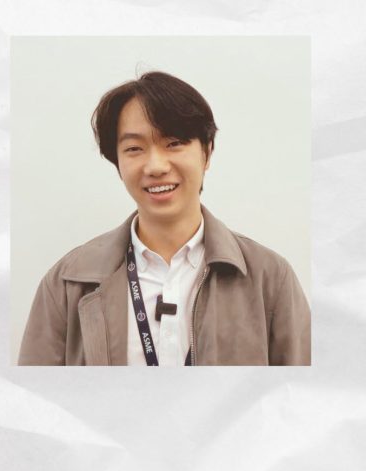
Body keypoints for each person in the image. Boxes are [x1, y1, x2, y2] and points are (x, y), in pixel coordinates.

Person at [18, 71, 311, 366]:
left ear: (207, 152)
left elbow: (302, 391)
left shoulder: (270, 278)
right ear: (117, 163)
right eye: (134, 149)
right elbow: (33, 393)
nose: (156, 166)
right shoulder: (66, 284)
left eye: (174, 143)